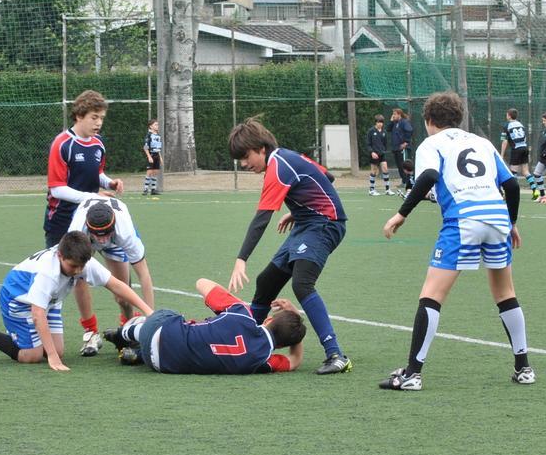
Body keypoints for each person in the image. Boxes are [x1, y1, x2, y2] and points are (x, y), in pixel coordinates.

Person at [380, 91, 534, 391]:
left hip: (463, 220)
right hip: (497, 218)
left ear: (429, 120)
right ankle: (524, 368)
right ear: (458, 118)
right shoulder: (481, 142)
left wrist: (401, 214)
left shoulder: (431, 144)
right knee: (505, 293)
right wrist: (511, 223)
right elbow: (512, 186)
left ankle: (412, 375)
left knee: (431, 295)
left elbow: (427, 177)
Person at [227, 116, 352, 375]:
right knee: (266, 282)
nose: (244, 164)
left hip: (325, 224)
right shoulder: (287, 156)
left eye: (246, 156)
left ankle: (336, 355)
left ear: (261, 148)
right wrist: (299, 211)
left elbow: (262, 219)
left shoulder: (278, 167)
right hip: (307, 224)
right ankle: (248, 343)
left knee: (302, 283)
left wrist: (241, 259)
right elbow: (327, 176)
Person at [0, 231, 153, 370]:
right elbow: (37, 314)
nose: (78, 271)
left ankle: (39, 346)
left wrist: (148, 311)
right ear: (60, 255)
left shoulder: (83, 263)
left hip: (50, 301)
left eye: (81, 266)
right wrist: (51, 358)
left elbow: (116, 285)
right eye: (73, 266)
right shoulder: (48, 273)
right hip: (17, 300)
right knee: (33, 356)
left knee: (58, 350)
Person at [103, 278, 305, 374]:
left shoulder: (242, 314)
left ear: (268, 320)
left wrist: (238, 303)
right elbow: (295, 361)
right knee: (192, 347)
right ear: (281, 346)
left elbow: (201, 283)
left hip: (159, 332)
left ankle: (123, 334)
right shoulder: (264, 360)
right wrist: (296, 325)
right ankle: (138, 354)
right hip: (161, 365)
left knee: (164, 319)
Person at [67, 198, 155, 356]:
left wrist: (151, 318)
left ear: (113, 226)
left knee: (122, 298)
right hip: (87, 241)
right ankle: (91, 332)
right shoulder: (77, 231)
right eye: (98, 235)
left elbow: (144, 275)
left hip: (114, 243)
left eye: (106, 233)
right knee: (78, 276)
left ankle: (127, 331)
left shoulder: (125, 233)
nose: (102, 239)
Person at [44, 89, 123, 248]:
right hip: (63, 219)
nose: (99, 123)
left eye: (101, 118)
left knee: (111, 256)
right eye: (94, 117)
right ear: (79, 116)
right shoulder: (62, 144)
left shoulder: (98, 142)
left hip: (91, 215)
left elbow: (97, 173)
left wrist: (109, 183)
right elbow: (57, 190)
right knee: (64, 263)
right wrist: (94, 197)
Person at [499, 108, 537, 199]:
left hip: (516, 149)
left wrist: (502, 155)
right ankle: (535, 190)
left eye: (507, 114)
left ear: (509, 116)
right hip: (524, 148)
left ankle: (512, 194)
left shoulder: (507, 125)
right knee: (525, 171)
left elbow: (504, 141)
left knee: (513, 172)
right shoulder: (521, 124)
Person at [366, 114, 394, 196]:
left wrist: (383, 151)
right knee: (374, 171)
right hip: (374, 154)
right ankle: (371, 190)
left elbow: (385, 143)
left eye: (381, 122)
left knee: (385, 169)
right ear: (376, 122)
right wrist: (372, 152)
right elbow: (368, 144)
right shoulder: (371, 131)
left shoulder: (384, 132)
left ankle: (387, 189)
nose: (380, 124)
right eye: (379, 122)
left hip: (382, 154)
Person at [386, 108, 414, 186]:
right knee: (399, 166)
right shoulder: (394, 123)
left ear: (399, 114)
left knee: (404, 165)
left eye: (395, 114)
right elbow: (388, 129)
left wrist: (406, 142)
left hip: (403, 148)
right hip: (396, 148)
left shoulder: (404, 122)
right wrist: (391, 121)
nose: (393, 116)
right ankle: (404, 181)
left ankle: (408, 182)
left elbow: (409, 130)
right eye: (393, 114)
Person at [142, 119, 163, 196]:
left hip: (157, 155)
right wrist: (149, 157)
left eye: (157, 124)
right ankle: (145, 189)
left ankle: (153, 189)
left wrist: (160, 157)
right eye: (155, 125)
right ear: (151, 126)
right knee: (149, 172)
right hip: (151, 155)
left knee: (155, 172)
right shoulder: (149, 135)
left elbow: (158, 148)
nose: (157, 126)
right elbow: (145, 147)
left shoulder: (157, 135)